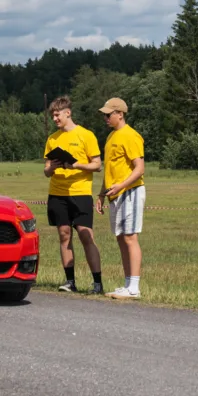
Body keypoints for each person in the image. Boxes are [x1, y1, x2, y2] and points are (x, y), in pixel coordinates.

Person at [43, 96, 104, 294]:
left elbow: (97, 164)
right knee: (64, 235)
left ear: (68, 113)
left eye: (57, 115)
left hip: (80, 193)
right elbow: (45, 170)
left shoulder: (86, 135)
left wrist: (76, 164)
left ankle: (97, 283)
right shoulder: (52, 139)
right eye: (52, 115)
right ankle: (70, 281)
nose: (55, 119)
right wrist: (51, 167)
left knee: (87, 236)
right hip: (57, 193)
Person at [94, 98, 145, 300]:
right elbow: (109, 170)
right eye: (104, 115)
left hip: (130, 192)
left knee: (130, 237)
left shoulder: (130, 136)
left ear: (120, 114)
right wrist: (101, 194)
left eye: (108, 114)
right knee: (120, 237)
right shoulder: (111, 137)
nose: (105, 118)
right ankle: (126, 284)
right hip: (115, 193)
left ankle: (134, 287)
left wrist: (122, 186)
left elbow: (139, 168)